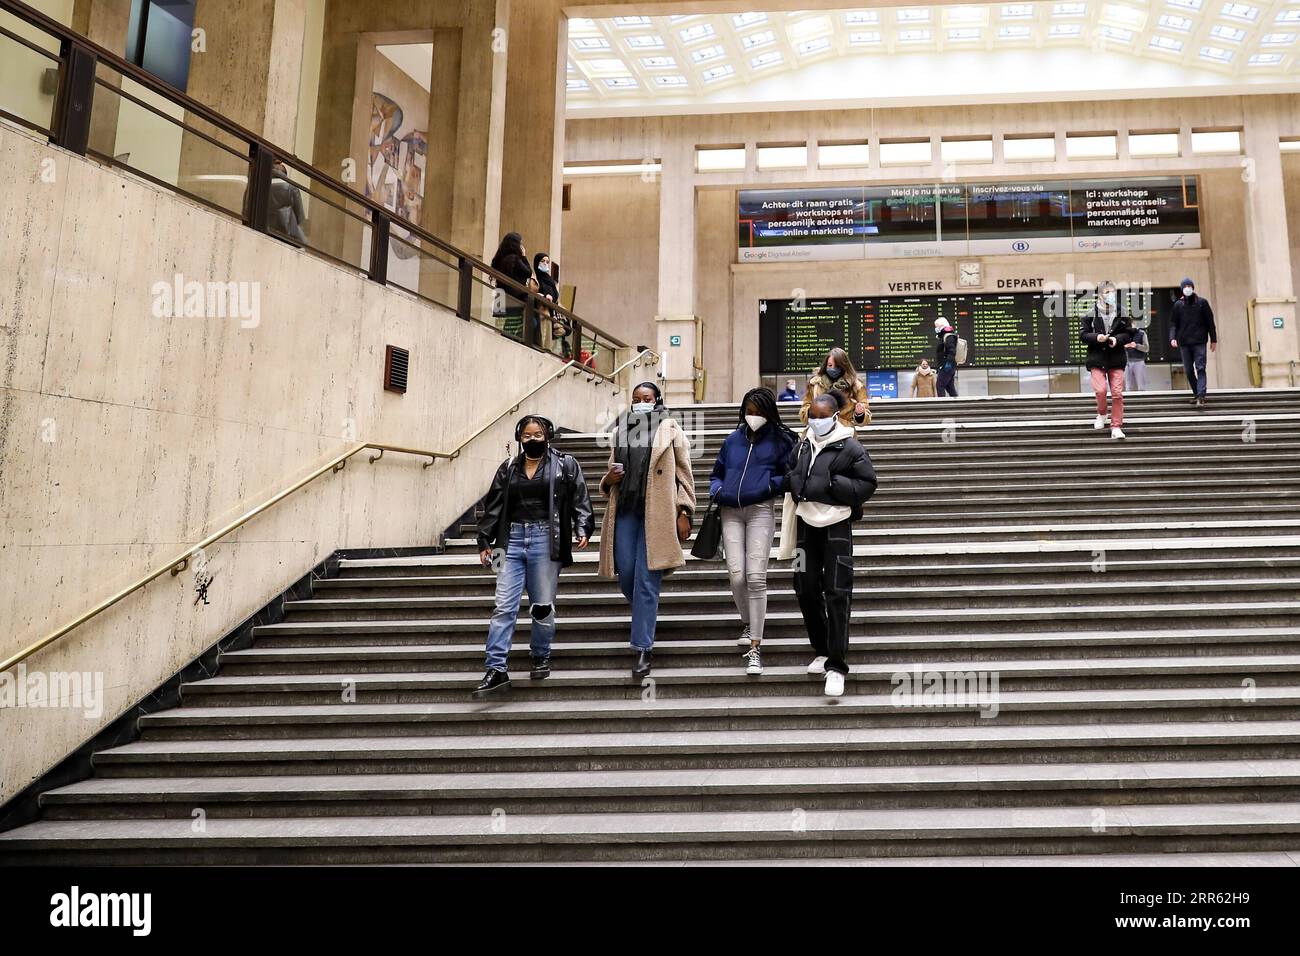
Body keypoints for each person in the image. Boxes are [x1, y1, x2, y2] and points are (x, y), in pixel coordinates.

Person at [473, 415, 594, 698]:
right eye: (526, 435)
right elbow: (494, 505)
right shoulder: (508, 467)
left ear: (547, 435)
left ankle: (541, 654)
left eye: (537, 434)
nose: (532, 439)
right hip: (508, 541)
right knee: (503, 606)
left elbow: (580, 497)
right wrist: (483, 541)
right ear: (519, 438)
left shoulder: (565, 464)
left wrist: (583, 526)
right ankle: (496, 668)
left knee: (542, 606)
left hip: (546, 538)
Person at [598, 382, 696, 678]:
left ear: (657, 401)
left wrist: (684, 511)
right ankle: (646, 609)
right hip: (625, 510)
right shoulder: (620, 430)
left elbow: (684, 474)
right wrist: (609, 479)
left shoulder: (671, 430)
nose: (641, 402)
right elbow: (610, 474)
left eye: (647, 398)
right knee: (626, 573)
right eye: (637, 398)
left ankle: (642, 648)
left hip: (658, 513)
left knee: (645, 580)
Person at [787, 390, 878, 698]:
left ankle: (837, 665)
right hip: (804, 525)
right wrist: (798, 485)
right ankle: (822, 649)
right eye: (812, 416)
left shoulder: (850, 446)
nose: (816, 421)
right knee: (804, 586)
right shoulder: (802, 444)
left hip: (836, 525)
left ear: (834, 416)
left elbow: (867, 483)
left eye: (822, 417)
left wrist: (830, 485)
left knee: (837, 591)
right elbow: (791, 473)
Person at [709, 387, 798, 675]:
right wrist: (717, 489)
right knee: (736, 576)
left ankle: (755, 648)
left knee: (755, 576)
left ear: (769, 412)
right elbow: (716, 472)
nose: (753, 416)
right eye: (749, 411)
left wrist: (769, 486)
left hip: (760, 509)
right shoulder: (732, 440)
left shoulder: (782, 440)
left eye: (758, 412)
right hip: (730, 510)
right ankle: (749, 622)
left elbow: (790, 475)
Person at [1082, 279, 1134, 441]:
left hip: (1116, 358)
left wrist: (1116, 340)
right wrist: (1098, 337)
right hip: (1096, 358)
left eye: (1112, 292)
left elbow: (1129, 333)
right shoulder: (1090, 313)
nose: (1111, 295)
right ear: (1099, 295)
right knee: (1101, 390)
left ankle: (1116, 426)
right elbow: (1083, 335)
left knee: (1117, 393)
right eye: (1107, 292)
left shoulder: (1123, 312)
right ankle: (1102, 413)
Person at [1170, 277, 1217, 408]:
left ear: (1193, 287)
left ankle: (1201, 395)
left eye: (1189, 286)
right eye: (1185, 287)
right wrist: (1172, 337)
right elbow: (1173, 323)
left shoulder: (1202, 303)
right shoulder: (1178, 305)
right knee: (1189, 370)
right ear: (1182, 289)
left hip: (1199, 341)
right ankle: (1197, 394)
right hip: (1184, 342)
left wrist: (1213, 339)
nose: (1187, 289)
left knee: (1200, 368)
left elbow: (1210, 323)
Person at [799, 348, 871, 430]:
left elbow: (866, 418)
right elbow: (804, 411)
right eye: (830, 365)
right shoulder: (815, 384)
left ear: (843, 366)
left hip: (844, 432)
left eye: (837, 366)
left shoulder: (856, 386)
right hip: (818, 431)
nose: (833, 368)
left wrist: (860, 414)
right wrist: (813, 411)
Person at [490, 232, 538, 339]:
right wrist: (524, 256)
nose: (522, 246)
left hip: (504, 296)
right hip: (516, 296)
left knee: (511, 321)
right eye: (520, 243)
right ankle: (512, 339)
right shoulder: (515, 258)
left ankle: (511, 338)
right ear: (515, 244)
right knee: (528, 322)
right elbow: (528, 272)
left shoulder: (500, 259)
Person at [269, 160, 306, 243]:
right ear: (285, 173)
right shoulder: (292, 187)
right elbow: (299, 216)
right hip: (285, 232)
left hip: (263, 227)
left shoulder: (259, 183)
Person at [934, 317, 959, 397]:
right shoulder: (946, 336)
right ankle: (958, 406)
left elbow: (952, 351)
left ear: (942, 326)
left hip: (947, 366)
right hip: (948, 365)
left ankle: (942, 407)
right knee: (950, 387)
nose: (936, 328)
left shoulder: (949, 336)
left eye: (937, 326)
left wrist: (948, 363)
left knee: (940, 385)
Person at [1125, 321, 1150, 392]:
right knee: (1128, 387)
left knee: (1141, 386)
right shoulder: (1125, 334)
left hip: (1139, 361)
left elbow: (1146, 348)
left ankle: (1143, 402)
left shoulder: (1142, 333)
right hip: (1127, 363)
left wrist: (1136, 346)